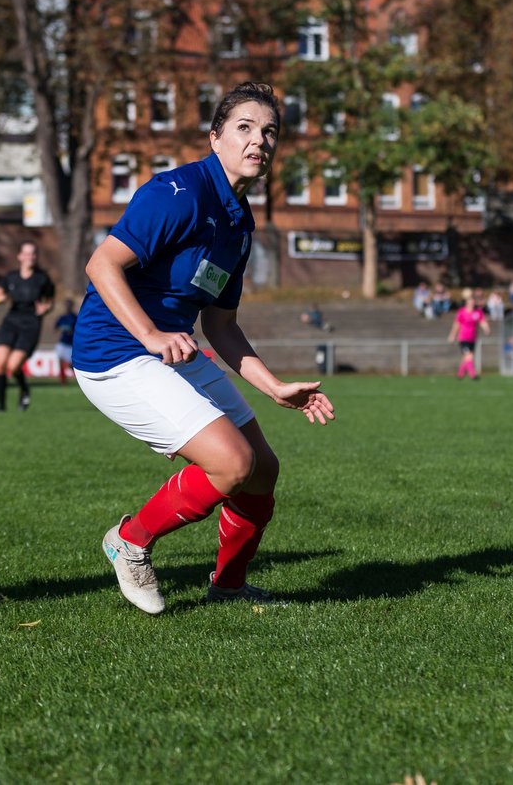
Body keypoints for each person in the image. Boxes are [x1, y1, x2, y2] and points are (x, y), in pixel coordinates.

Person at [73, 82, 334, 615]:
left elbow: (222, 325)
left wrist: (276, 387)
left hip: (175, 350)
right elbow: (102, 265)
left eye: (269, 131)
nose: (258, 140)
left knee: (262, 469)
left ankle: (229, 586)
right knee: (233, 463)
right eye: (244, 127)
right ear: (215, 137)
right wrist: (150, 334)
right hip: (114, 354)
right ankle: (130, 540)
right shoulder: (179, 192)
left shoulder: (240, 223)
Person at [0, 240, 55, 412]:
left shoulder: (42, 279)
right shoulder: (10, 277)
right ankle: (1, 406)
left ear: (36, 257)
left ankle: (24, 389)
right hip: (11, 321)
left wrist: (45, 308)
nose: (29, 257)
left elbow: (49, 301)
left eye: (32, 253)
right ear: (20, 256)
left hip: (31, 324)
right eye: (26, 253)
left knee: (13, 366)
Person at [447, 288, 490, 379]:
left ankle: (460, 374)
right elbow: (456, 325)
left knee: (467, 357)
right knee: (469, 356)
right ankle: (473, 374)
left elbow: (482, 321)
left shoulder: (477, 312)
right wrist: (452, 335)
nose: (471, 303)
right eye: (470, 301)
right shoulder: (462, 312)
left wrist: (486, 329)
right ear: (466, 302)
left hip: (473, 338)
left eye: (473, 301)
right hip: (463, 338)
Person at [53, 298, 77, 385]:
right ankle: (63, 381)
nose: (67, 307)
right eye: (66, 305)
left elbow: (77, 330)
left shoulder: (74, 317)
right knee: (60, 362)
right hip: (62, 343)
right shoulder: (62, 318)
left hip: (71, 344)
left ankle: (80, 379)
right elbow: (55, 328)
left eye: (69, 305)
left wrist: (71, 331)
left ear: (72, 306)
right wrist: (60, 328)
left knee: (71, 364)